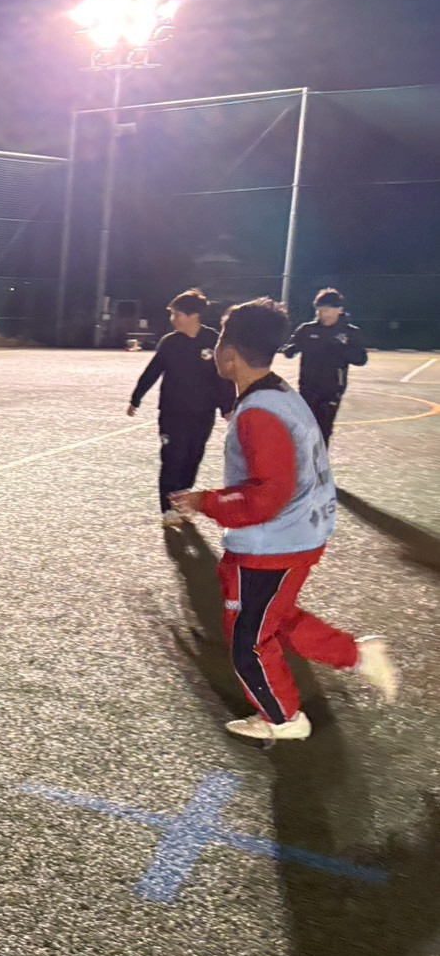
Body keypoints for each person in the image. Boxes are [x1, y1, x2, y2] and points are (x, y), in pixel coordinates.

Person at [171, 298, 395, 742]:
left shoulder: (259, 412)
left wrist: (205, 501)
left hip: (274, 544)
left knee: (248, 642)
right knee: (272, 616)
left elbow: (267, 496)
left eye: (220, 340)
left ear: (228, 355)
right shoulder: (279, 395)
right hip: (296, 534)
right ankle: (356, 654)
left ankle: (283, 718)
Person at [126, 288, 235, 527]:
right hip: (172, 414)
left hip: (202, 414)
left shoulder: (213, 341)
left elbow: (223, 379)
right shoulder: (170, 342)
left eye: (176, 314)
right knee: (172, 459)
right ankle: (168, 510)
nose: (173, 319)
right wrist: (136, 398)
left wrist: (227, 408)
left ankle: (182, 503)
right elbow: (152, 371)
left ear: (192, 315)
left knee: (191, 459)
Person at [280, 287, 368, 445]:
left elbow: (361, 360)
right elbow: (289, 350)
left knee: (324, 430)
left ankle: (320, 460)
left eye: (327, 310)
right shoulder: (307, 330)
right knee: (305, 429)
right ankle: (303, 459)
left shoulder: (350, 333)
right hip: (307, 388)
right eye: (320, 310)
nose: (323, 314)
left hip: (332, 390)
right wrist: (291, 348)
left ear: (339, 310)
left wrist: (343, 347)